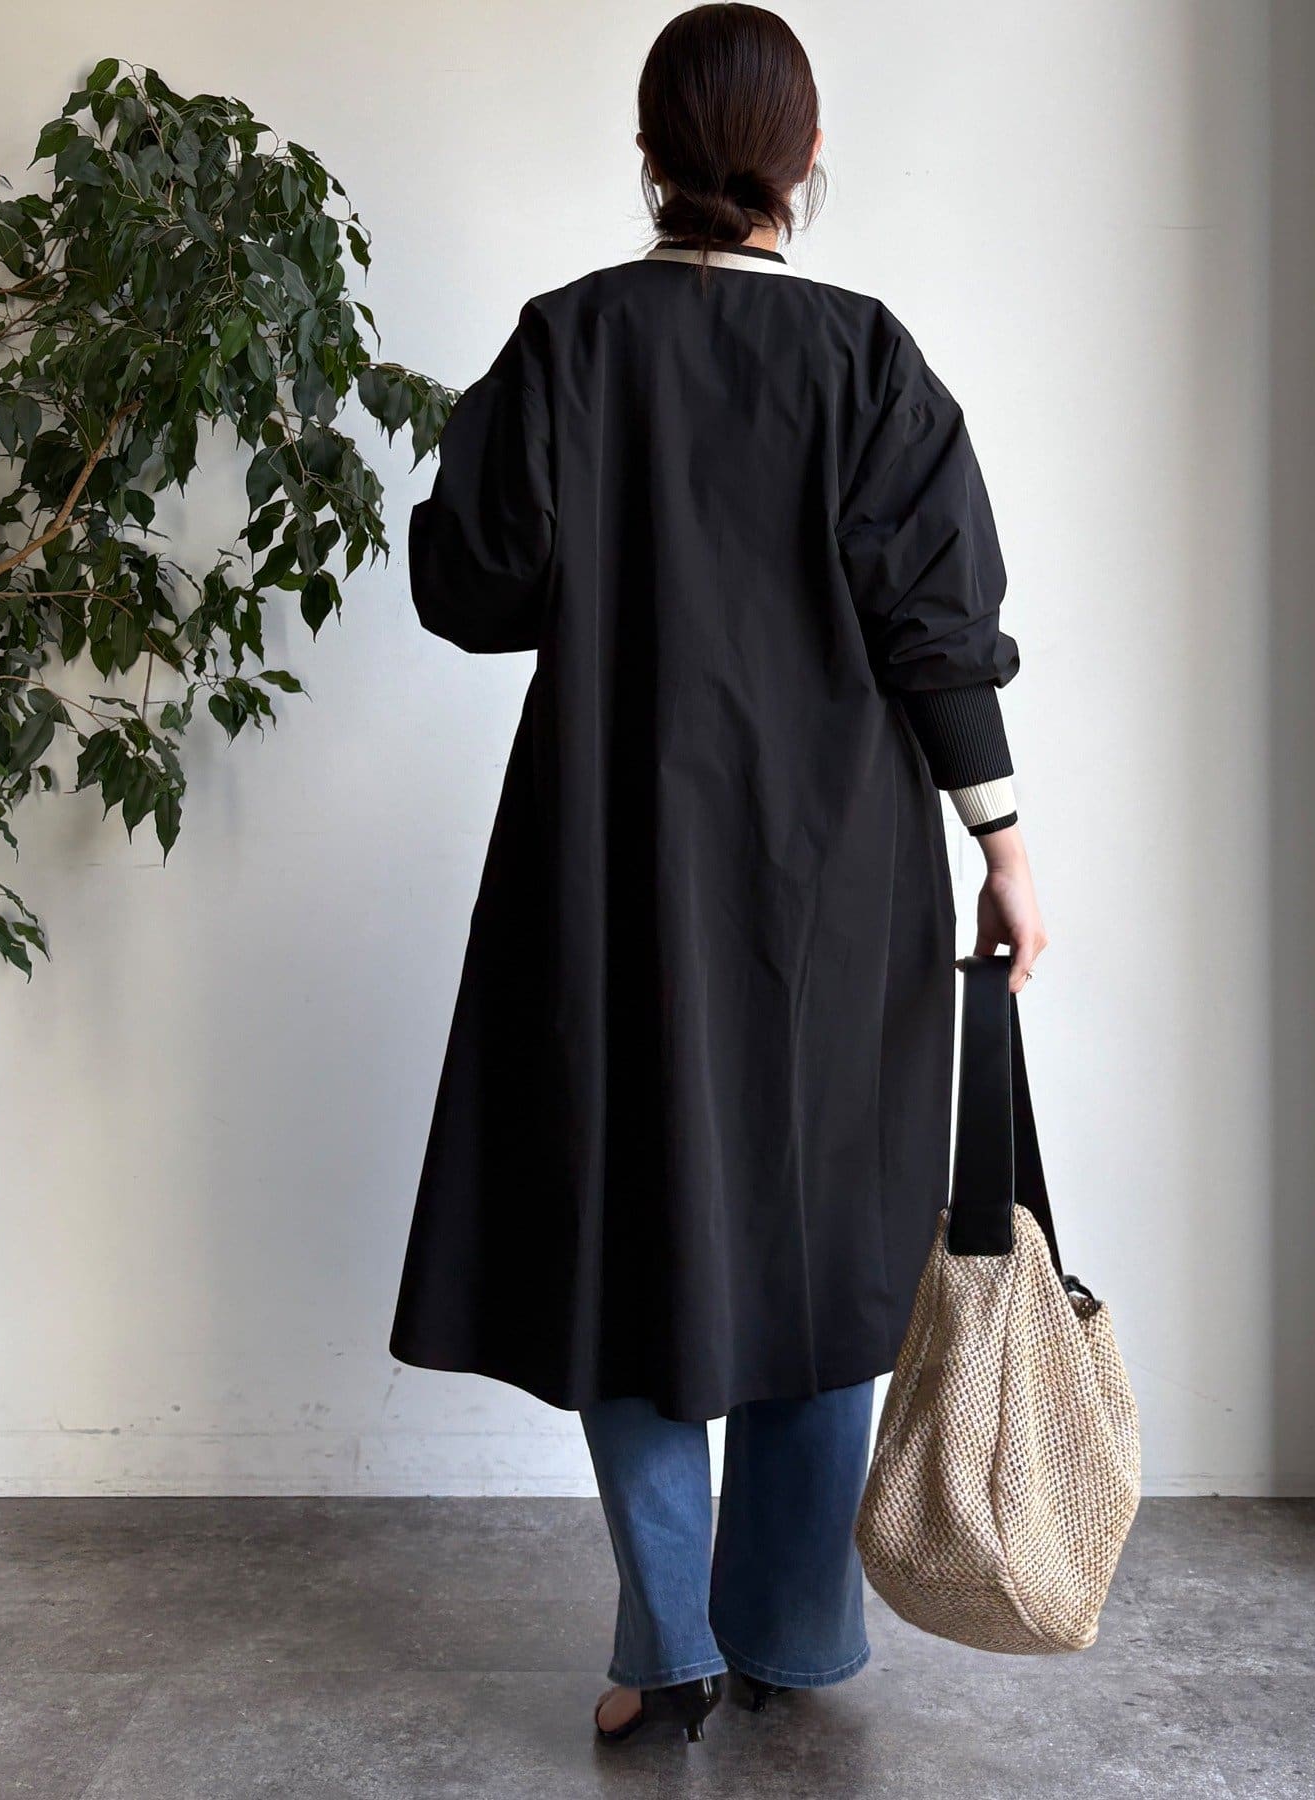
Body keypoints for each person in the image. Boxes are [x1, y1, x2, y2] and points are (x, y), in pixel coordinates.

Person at [389, 2, 1048, 1747]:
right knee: (827, 1240)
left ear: (648, 155)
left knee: (625, 1226)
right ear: (806, 156)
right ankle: (790, 1640)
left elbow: (473, 588)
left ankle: (666, 1644)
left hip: (610, 867)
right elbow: (937, 628)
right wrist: (1002, 845)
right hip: (840, 885)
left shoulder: (569, 341)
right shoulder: (868, 358)